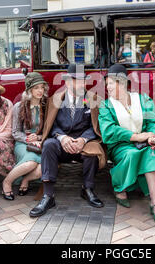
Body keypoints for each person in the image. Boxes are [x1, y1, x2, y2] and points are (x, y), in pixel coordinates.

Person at [29, 64, 106, 217]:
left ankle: (88, 189)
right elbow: (51, 126)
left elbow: (96, 126)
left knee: (93, 150)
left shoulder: (94, 99)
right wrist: (62, 138)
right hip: (62, 142)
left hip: (84, 142)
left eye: (84, 81)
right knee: (49, 145)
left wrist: (83, 139)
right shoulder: (55, 100)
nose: (83, 84)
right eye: (78, 81)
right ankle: (48, 196)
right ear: (68, 82)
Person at [98, 64, 155, 226]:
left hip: (143, 143)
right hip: (120, 146)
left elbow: (153, 121)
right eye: (107, 84)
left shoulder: (142, 99)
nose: (107, 87)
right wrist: (137, 137)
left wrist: (151, 136)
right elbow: (109, 131)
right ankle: (120, 188)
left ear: (122, 84)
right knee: (132, 153)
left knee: (151, 151)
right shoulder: (106, 105)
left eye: (111, 83)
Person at [1, 72, 48, 201]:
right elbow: (15, 132)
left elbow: (49, 129)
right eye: (36, 87)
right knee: (30, 163)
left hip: (40, 143)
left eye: (42, 87)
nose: (40, 91)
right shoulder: (19, 106)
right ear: (29, 90)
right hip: (23, 143)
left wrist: (38, 139)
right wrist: (28, 140)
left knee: (42, 169)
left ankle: (26, 180)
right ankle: (7, 182)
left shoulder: (46, 105)